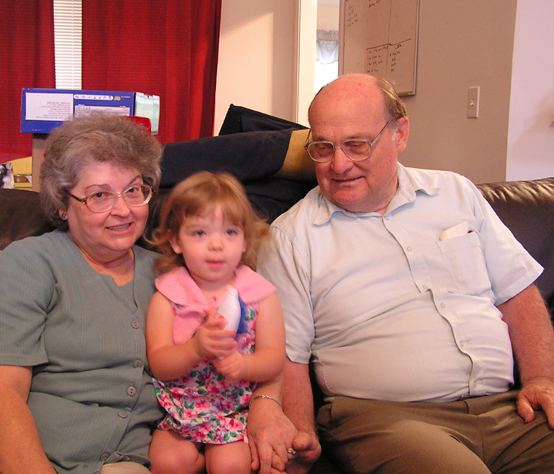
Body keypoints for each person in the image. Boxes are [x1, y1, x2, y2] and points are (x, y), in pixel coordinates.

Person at [253, 73, 554, 474]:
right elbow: (287, 354)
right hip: (387, 420)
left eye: (357, 145)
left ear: (400, 134)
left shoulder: (456, 193)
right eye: (323, 148)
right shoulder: (291, 237)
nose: (339, 164)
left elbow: (517, 292)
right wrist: (302, 436)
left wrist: (541, 379)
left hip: (509, 412)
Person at [0, 113, 165, 474]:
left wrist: (256, 403)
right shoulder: (27, 264)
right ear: (63, 205)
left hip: (115, 463)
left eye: (133, 190)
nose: (123, 209)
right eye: (99, 195)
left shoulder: (171, 276)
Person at [145, 171, 286, 474]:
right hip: (180, 408)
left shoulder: (260, 295)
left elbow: (274, 359)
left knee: (230, 466)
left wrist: (244, 365)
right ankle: (196, 462)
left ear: (245, 240)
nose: (216, 245)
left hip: (233, 410)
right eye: (200, 233)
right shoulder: (169, 295)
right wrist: (195, 349)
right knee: (165, 463)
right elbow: (159, 364)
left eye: (230, 232)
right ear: (176, 241)